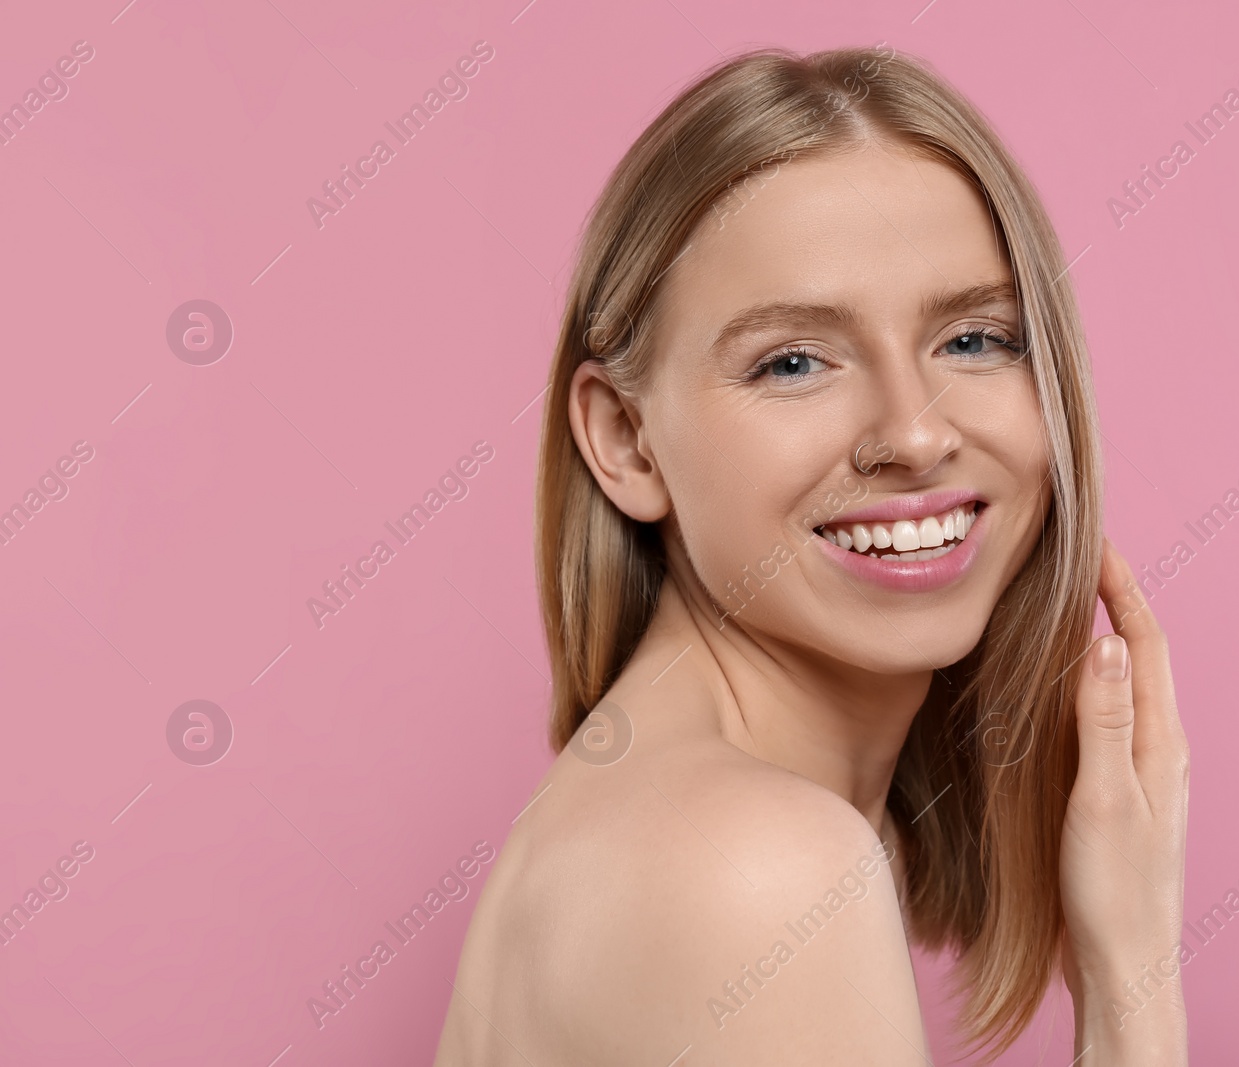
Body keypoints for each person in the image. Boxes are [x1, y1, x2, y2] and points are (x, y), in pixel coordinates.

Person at [433, 44, 1189, 1066]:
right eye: (792, 361)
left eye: (973, 339)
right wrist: (1135, 979)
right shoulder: (754, 869)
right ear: (624, 438)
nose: (914, 434)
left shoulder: (668, 819)